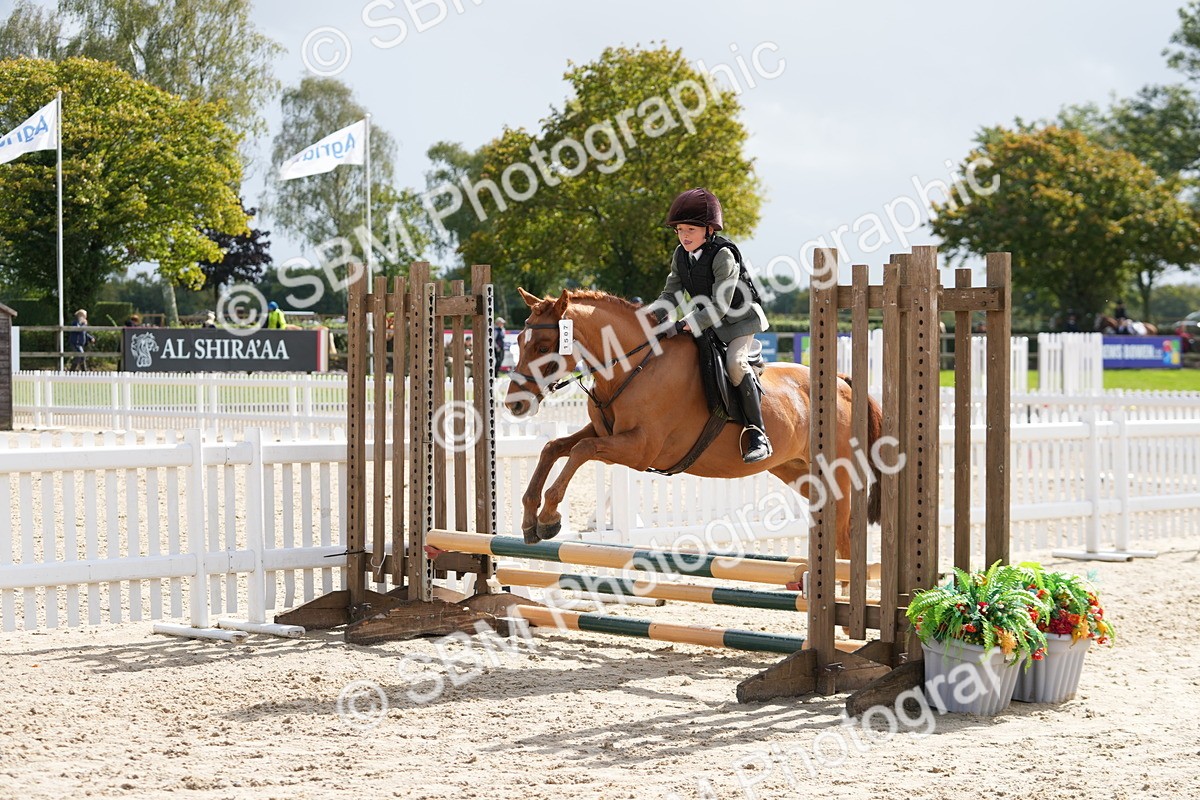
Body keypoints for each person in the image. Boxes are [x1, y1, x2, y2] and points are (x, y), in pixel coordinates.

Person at [652, 187, 771, 463]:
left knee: (734, 364)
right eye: (679, 230)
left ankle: (757, 433)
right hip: (708, 320)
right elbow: (670, 295)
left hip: (741, 320)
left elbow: (720, 305)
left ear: (708, 229)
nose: (683, 236)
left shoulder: (723, 255)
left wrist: (684, 323)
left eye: (690, 230)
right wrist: (649, 318)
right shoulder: (681, 255)